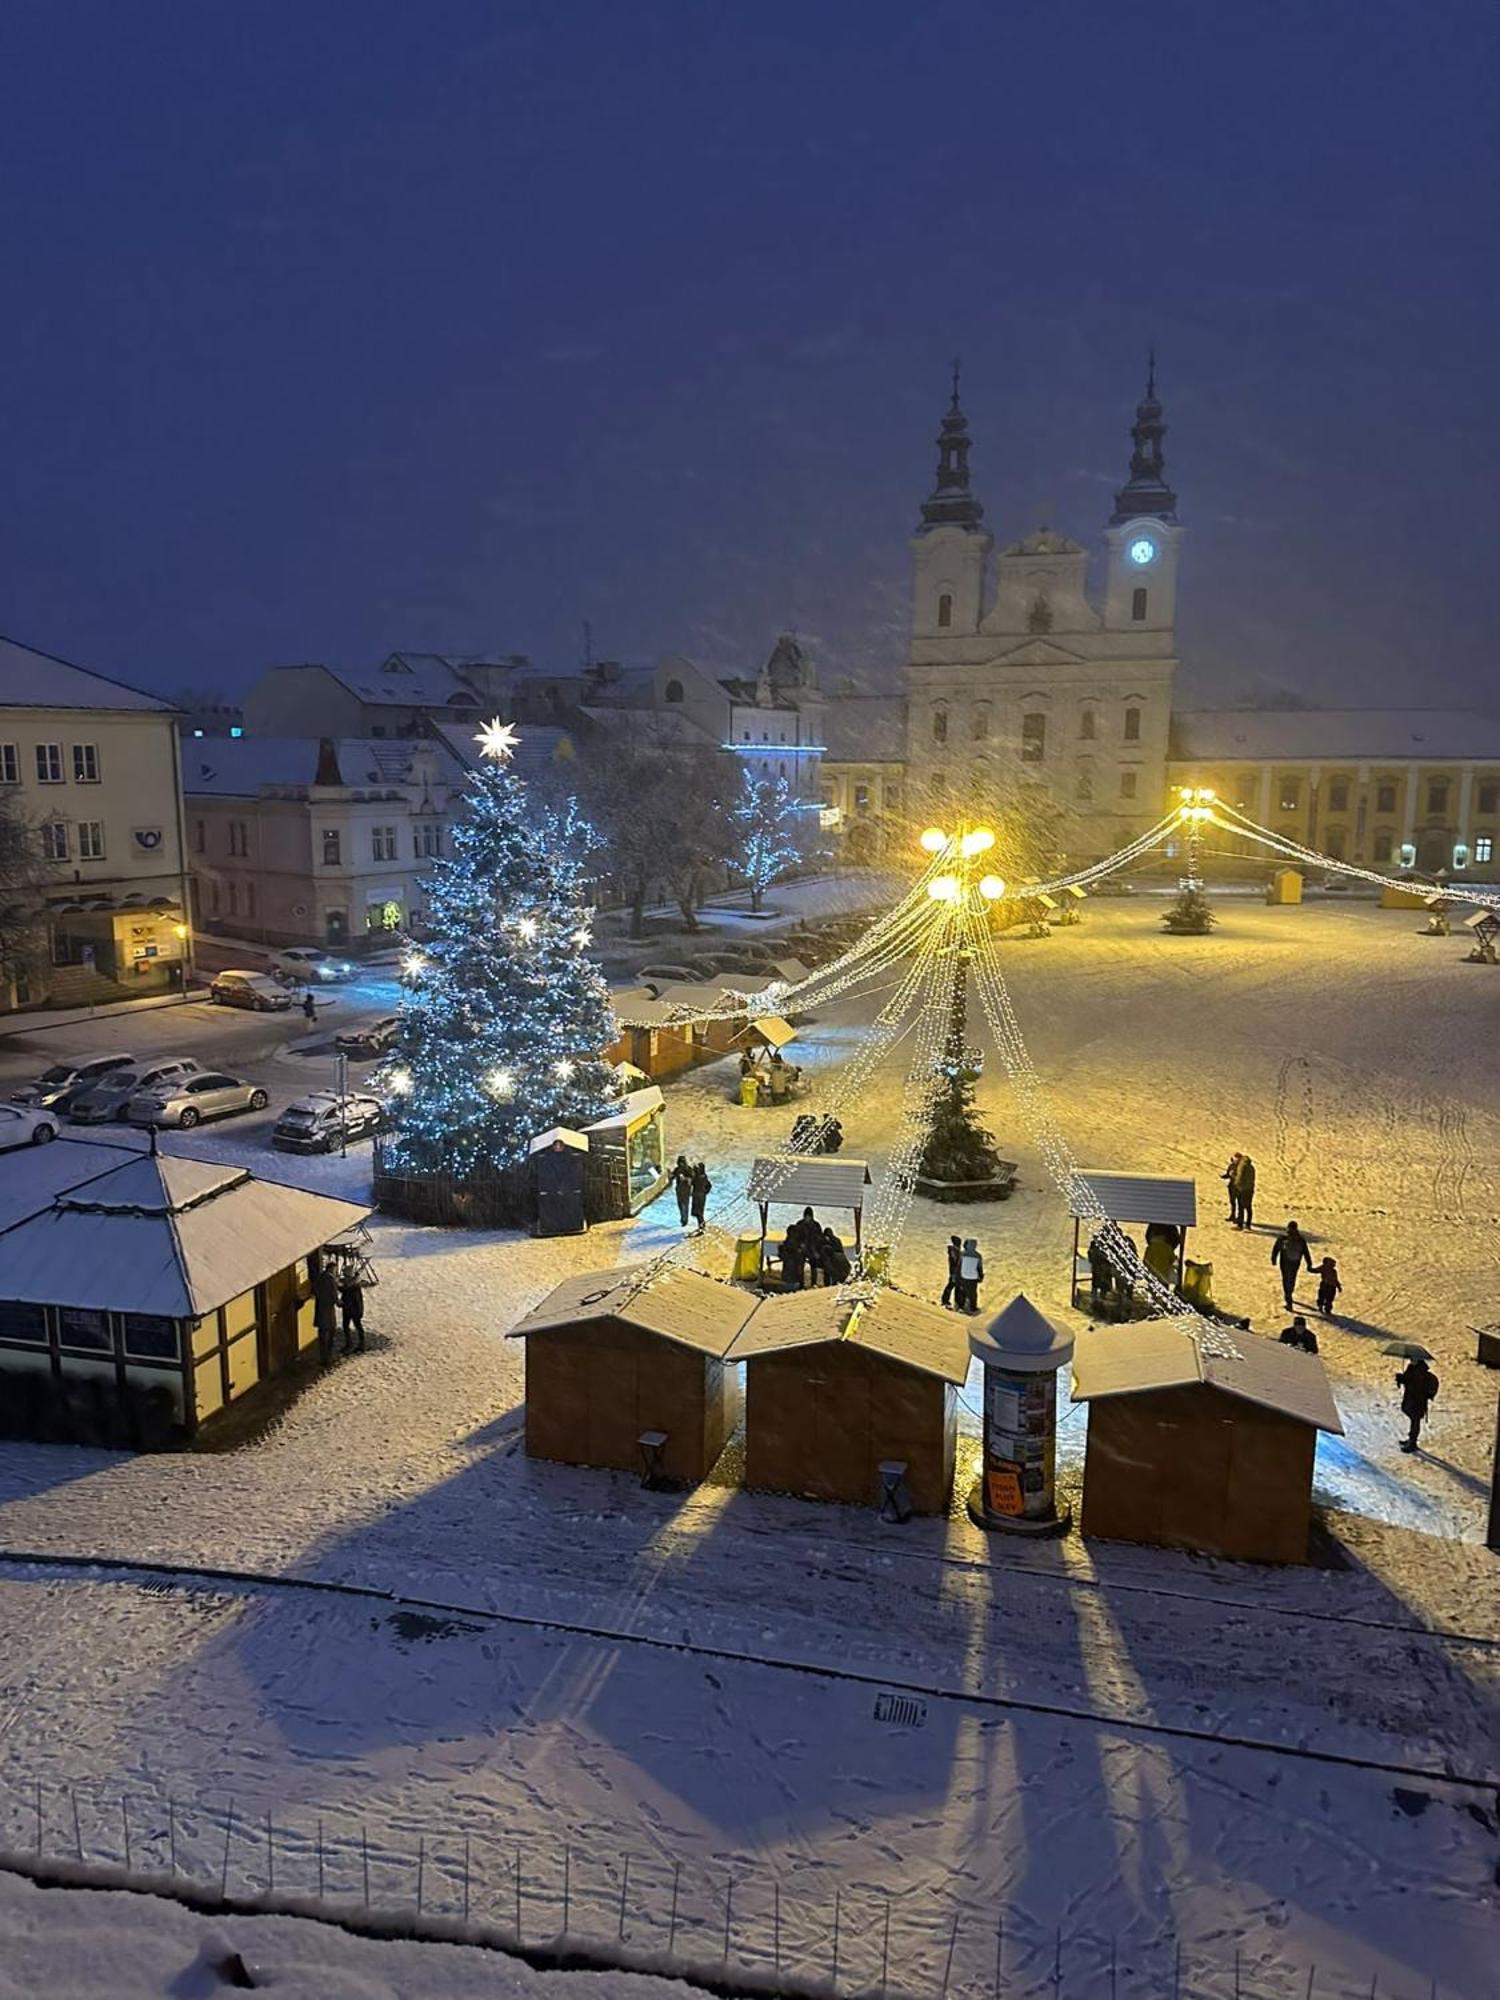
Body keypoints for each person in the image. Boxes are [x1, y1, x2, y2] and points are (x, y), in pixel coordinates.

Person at [1395, 1356, 1438, 1452]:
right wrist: (1401, 1379)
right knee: (1413, 1419)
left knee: (1415, 1420)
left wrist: (1406, 1380)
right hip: (1411, 1398)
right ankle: (1411, 1439)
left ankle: (1412, 1442)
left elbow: (1416, 1385)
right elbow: (1409, 1380)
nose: (1411, 1360)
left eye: (1413, 1359)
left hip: (1418, 1400)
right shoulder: (1412, 1368)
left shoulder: (1420, 1371)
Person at [1271, 1219, 1314, 1308]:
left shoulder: (1283, 1238)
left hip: (1285, 1261)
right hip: (1295, 1261)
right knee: (1293, 1277)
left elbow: (1276, 1249)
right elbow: (1306, 1252)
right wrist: (1309, 1263)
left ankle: (1288, 1296)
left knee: (1285, 1278)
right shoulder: (1300, 1239)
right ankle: (1290, 1292)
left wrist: (1273, 1259)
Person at [312, 1260, 339, 1366]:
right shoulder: (331, 1279)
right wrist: (339, 1302)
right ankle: (328, 1357)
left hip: (320, 1308)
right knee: (331, 1332)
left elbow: (315, 1289)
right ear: (332, 1268)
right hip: (328, 1310)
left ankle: (322, 1357)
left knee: (322, 1334)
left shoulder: (320, 1277)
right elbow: (334, 1294)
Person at [340, 1265, 367, 1353]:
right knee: (356, 1326)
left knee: (350, 1326)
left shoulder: (352, 1287)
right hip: (353, 1310)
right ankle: (360, 1343)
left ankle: (353, 1343)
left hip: (350, 1310)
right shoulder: (355, 1285)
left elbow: (344, 1290)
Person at [957, 1237, 984, 1315]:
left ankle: (961, 1306)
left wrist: (958, 1276)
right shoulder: (978, 1255)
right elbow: (979, 1267)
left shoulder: (962, 1254)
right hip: (973, 1277)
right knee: (973, 1293)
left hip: (963, 1275)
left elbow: (959, 1265)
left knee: (963, 1292)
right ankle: (972, 1308)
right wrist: (981, 1277)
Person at [1087, 1232, 1113, 1309]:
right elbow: (1091, 1254)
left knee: (1102, 1285)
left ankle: (1099, 1299)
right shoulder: (1097, 1244)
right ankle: (1096, 1300)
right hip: (1099, 1268)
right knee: (1097, 1284)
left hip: (1103, 1269)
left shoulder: (1110, 1244)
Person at [669, 1154, 694, 1229]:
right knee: (680, 1204)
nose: (681, 1164)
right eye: (680, 1162)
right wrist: (669, 1173)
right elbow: (672, 1177)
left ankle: (685, 1219)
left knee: (685, 1205)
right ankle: (683, 1218)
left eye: (682, 1162)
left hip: (686, 1189)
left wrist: (685, 1179)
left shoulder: (688, 1169)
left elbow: (693, 1178)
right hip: (679, 1189)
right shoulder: (677, 1169)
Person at [1233, 1153, 1257, 1229]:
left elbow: (1239, 1178)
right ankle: (1248, 1224)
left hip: (1242, 1189)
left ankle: (1240, 1224)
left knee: (1241, 1207)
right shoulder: (1252, 1167)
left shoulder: (1241, 1166)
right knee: (1248, 1207)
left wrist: (1233, 1176)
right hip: (1250, 1189)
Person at [1222, 1152, 1244, 1225]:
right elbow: (1228, 1174)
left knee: (1239, 1203)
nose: (1235, 1160)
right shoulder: (1231, 1165)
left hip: (1239, 1187)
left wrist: (1233, 1175)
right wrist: (1224, 1176)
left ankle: (1239, 1218)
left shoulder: (1242, 1167)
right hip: (1232, 1186)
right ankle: (1232, 1215)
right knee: (1232, 1202)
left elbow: (1241, 1178)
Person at [941, 1233, 963, 1309]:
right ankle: (945, 1301)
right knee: (952, 1286)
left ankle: (948, 1301)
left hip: (955, 1272)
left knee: (954, 1286)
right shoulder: (954, 1250)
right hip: (955, 1272)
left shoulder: (955, 1250)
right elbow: (955, 1261)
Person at [689, 1161, 711, 1235]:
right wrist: (705, 1192)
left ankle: (701, 1227)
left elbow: (691, 1182)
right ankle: (701, 1226)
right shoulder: (704, 1176)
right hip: (702, 1196)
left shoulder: (697, 1178)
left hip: (697, 1196)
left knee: (698, 1213)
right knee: (700, 1212)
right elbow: (709, 1186)